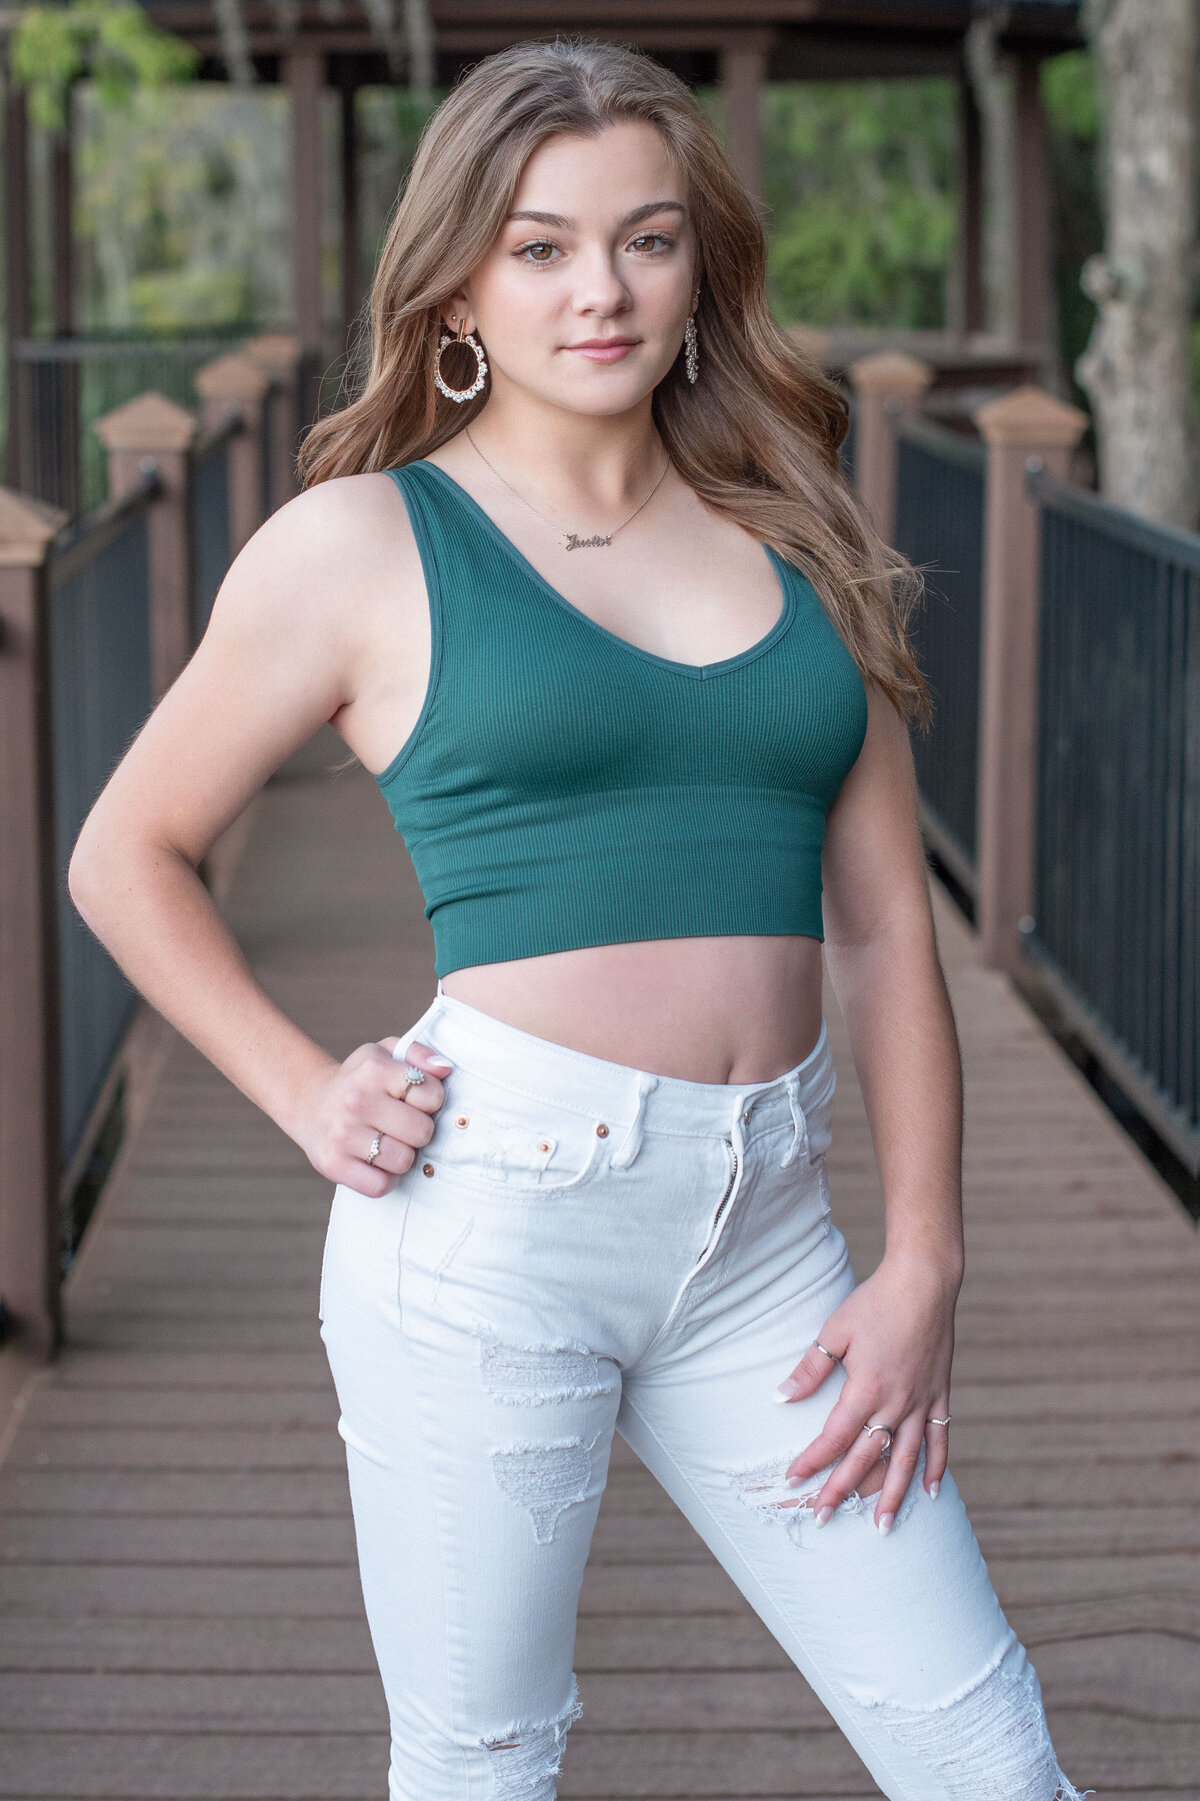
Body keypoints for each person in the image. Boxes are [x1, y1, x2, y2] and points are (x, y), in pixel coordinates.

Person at [68, 35, 1094, 1801]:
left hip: (771, 1235)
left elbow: (884, 933)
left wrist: (925, 1253)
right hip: (489, 1232)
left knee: (988, 1758)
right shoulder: (363, 544)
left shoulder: (794, 537)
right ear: (461, 282)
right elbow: (124, 851)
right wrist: (310, 1090)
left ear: (701, 266)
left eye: (645, 237)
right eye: (540, 246)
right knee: (485, 1766)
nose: (598, 288)